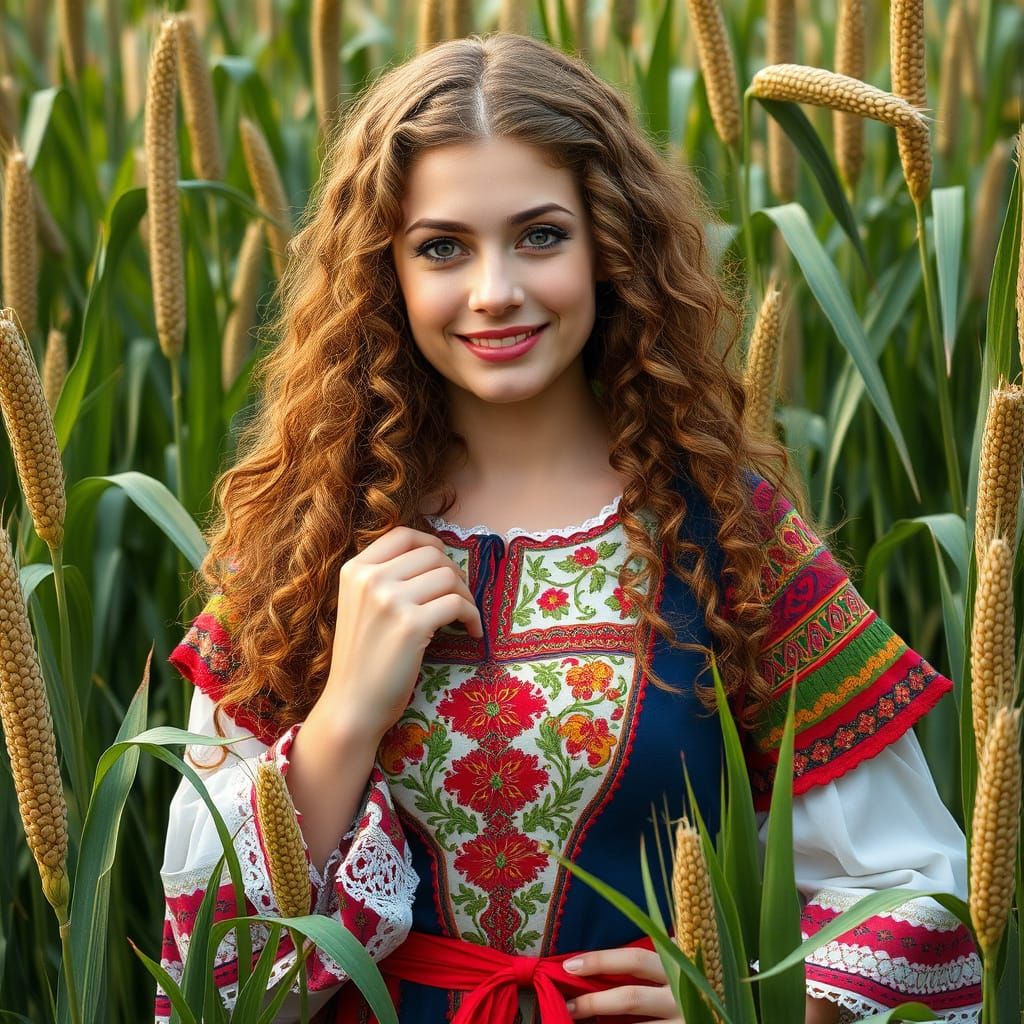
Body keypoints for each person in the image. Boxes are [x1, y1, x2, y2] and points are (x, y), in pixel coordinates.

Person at [156, 31, 982, 1024]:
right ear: (386, 270)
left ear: (609, 246)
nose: (494, 289)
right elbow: (207, 972)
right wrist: (340, 722)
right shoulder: (297, 548)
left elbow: (916, 895)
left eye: (539, 235)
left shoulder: (731, 537)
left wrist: (757, 1005)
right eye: (442, 247)